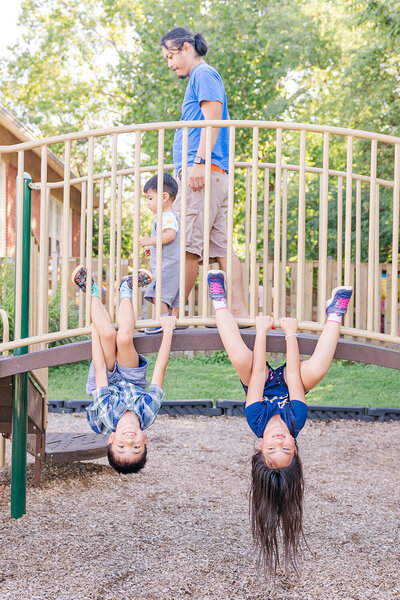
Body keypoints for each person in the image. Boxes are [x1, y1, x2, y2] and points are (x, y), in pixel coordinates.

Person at [207, 269, 353, 573]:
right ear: (295, 449)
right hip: (291, 381)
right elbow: (293, 377)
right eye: (285, 450)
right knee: (318, 369)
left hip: (257, 382)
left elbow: (258, 374)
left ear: (259, 447)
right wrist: (290, 333)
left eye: (272, 451)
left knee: (239, 358)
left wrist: (261, 331)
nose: (279, 443)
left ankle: (218, 301)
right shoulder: (297, 418)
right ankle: (335, 314)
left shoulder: (255, 417)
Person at [161, 27, 249, 319]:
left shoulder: (203, 74)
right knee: (223, 249)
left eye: (171, 55)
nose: (170, 63)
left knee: (187, 246)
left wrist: (198, 162)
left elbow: (213, 120)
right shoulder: (202, 76)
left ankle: (172, 315)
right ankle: (239, 312)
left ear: (186, 48)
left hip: (203, 173)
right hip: (213, 174)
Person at [72, 264, 176, 474]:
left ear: (111, 439)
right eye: (135, 447)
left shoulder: (108, 415)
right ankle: (126, 288)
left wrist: (96, 336)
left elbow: (101, 370)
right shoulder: (148, 414)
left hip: (105, 382)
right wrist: (168, 332)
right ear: (145, 440)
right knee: (124, 338)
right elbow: (159, 371)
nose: (129, 441)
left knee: (108, 335)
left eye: (121, 446)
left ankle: (92, 290)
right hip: (132, 380)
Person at [139, 172, 180, 334]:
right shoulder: (167, 216)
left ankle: (163, 322)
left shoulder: (167, 216)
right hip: (168, 263)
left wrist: (150, 240)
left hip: (168, 265)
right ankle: (169, 321)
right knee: (164, 295)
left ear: (164, 197)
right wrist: (153, 247)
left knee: (158, 293)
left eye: (150, 198)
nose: (148, 203)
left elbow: (170, 235)